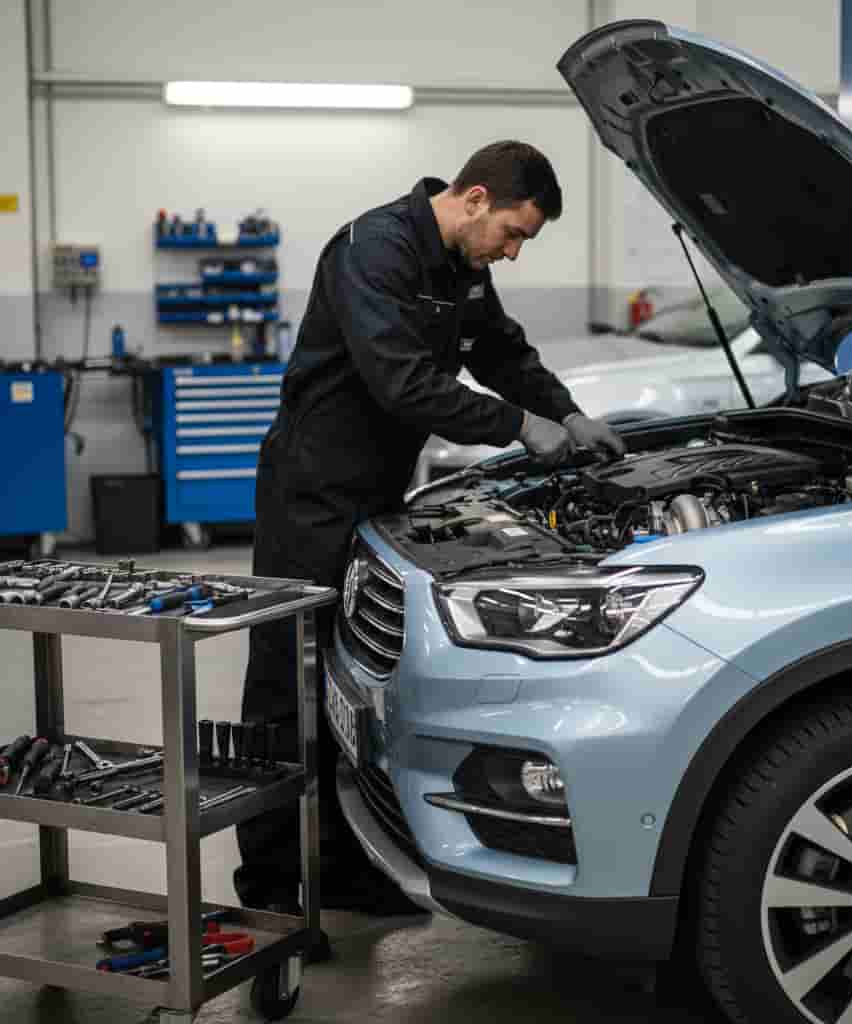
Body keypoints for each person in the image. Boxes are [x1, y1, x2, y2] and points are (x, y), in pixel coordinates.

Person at [234, 140, 625, 939]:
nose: (512, 252)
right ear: (476, 199)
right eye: (513, 233)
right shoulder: (372, 249)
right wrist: (520, 426)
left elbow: (501, 351)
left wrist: (568, 411)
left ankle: (343, 866)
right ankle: (270, 879)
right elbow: (404, 383)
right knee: (287, 677)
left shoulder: (461, 265)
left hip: (379, 495)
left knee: (352, 684)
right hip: (312, 493)